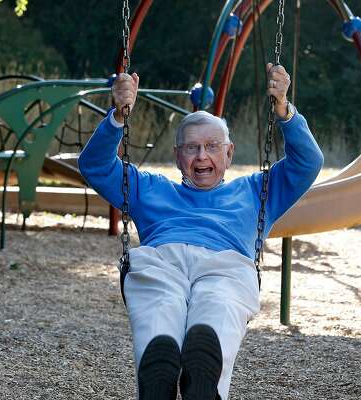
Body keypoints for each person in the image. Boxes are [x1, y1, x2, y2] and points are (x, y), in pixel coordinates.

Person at [78, 63, 324, 400]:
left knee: (218, 306)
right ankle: (158, 371)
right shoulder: (149, 188)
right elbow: (94, 165)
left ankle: (203, 381)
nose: (202, 156)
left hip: (226, 265)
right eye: (191, 148)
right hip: (162, 261)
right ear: (177, 157)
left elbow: (307, 163)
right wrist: (117, 118)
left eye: (212, 146)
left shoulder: (257, 191)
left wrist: (284, 110)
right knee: (158, 302)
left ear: (229, 152)